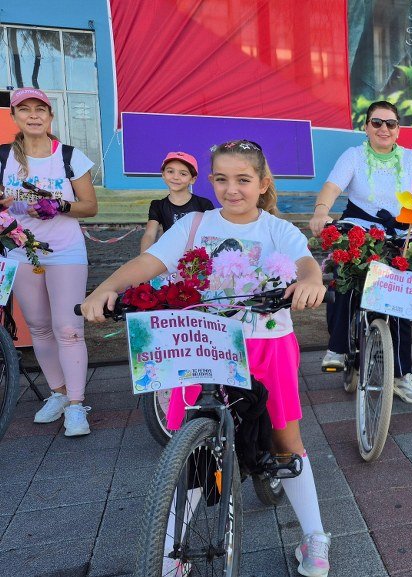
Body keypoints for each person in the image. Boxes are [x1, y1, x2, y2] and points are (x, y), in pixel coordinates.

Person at [81, 139, 332, 576]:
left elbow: (306, 264)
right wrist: (108, 287)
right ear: (210, 180)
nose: (232, 189)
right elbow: (150, 261)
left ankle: (314, 536)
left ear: (262, 183)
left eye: (243, 180)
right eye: (221, 179)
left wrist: (311, 282)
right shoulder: (195, 224)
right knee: (191, 443)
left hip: (265, 344)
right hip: (204, 343)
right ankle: (172, 549)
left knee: (285, 439)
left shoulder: (277, 228)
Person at [309, 101, 412, 403]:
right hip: (358, 226)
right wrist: (321, 212)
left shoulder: (411, 158)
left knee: (400, 294)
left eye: (390, 123)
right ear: (366, 127)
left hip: (399, 231)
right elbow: (332, 188)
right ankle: (338, 347)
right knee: (345, 272)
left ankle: (402, 374)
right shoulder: (354, 156)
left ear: (398, 129)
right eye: (377, 123)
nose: (384, 129)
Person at [0, 87, 98, 436]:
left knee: (68, 329)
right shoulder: (2, 157)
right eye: (24, 110)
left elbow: (90, 206)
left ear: (50, 116)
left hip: (66, 252)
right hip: (20, 250)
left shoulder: (70, 155)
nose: (33, 115)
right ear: (14, 117)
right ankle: (56, 394)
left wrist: (59, 206)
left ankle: (76, 405)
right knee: (39, 326)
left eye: (40, 109)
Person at [140, 151, 214, 253]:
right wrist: (144, 259)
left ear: (192, 179)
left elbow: (212, 234)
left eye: (183, 174)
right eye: (170, 171)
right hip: (169, 256)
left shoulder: (204, 204)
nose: (175, 177)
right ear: (163, 175)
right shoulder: (158, 205)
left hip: (197, 258)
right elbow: (149, 234)